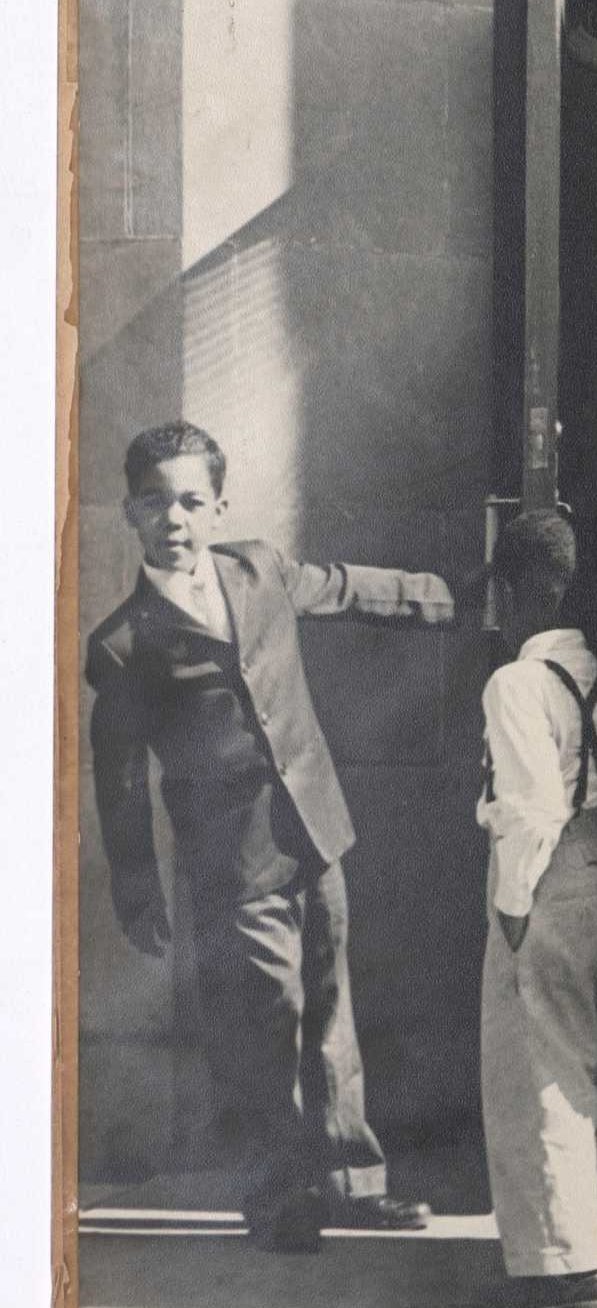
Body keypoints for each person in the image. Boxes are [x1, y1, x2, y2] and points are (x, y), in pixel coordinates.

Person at [84, 423, 451, 1254]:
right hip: (230, 860)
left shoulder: (258, 567)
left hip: (313, 827)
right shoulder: (123, 643)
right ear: (129, 515)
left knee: (329, 1006)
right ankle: (278, 1195)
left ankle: (351, 1181)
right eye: (154, 502)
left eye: (188, 500)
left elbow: (348, 586)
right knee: (260, 1023)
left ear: (218, 505)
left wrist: (449, 596)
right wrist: (135, 884)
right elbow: (119, 776)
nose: (173, 518)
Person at [476, 509, 597, 1308]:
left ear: (525, 593)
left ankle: (564, 1266)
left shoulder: (515, 682)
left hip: (549, 875)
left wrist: (514, 903)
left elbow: (531, 805)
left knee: (539, 1069)